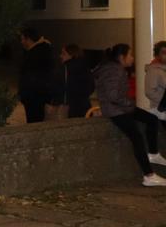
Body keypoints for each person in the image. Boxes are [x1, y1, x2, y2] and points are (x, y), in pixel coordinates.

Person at [95, 43, 166, 187]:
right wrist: (128, 104)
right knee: (137, 136)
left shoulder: (114, 68)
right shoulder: (114, 70)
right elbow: (113, 95)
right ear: (122, 57)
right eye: (130, 55)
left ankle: (153, 153)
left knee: (151, 119)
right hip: (117, 110)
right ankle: (148, 175)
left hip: (122, 108)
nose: (132, 58)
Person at [18, 26, 56, 123]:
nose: (21, 42)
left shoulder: (37, 54)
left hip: (35, 96)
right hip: (35, 95)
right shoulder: (37, 51)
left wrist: (25, 93)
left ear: (29, 39)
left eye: (22, 39)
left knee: (35, 121)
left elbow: (31, 76)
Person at [61, 44, 95, 118]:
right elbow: (91, 87)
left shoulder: (65, 69)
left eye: (63, 54)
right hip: (85, 106)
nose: (60, 56)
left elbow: (62, 88)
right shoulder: (85, 66)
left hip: (70, 107)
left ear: (72, 55)